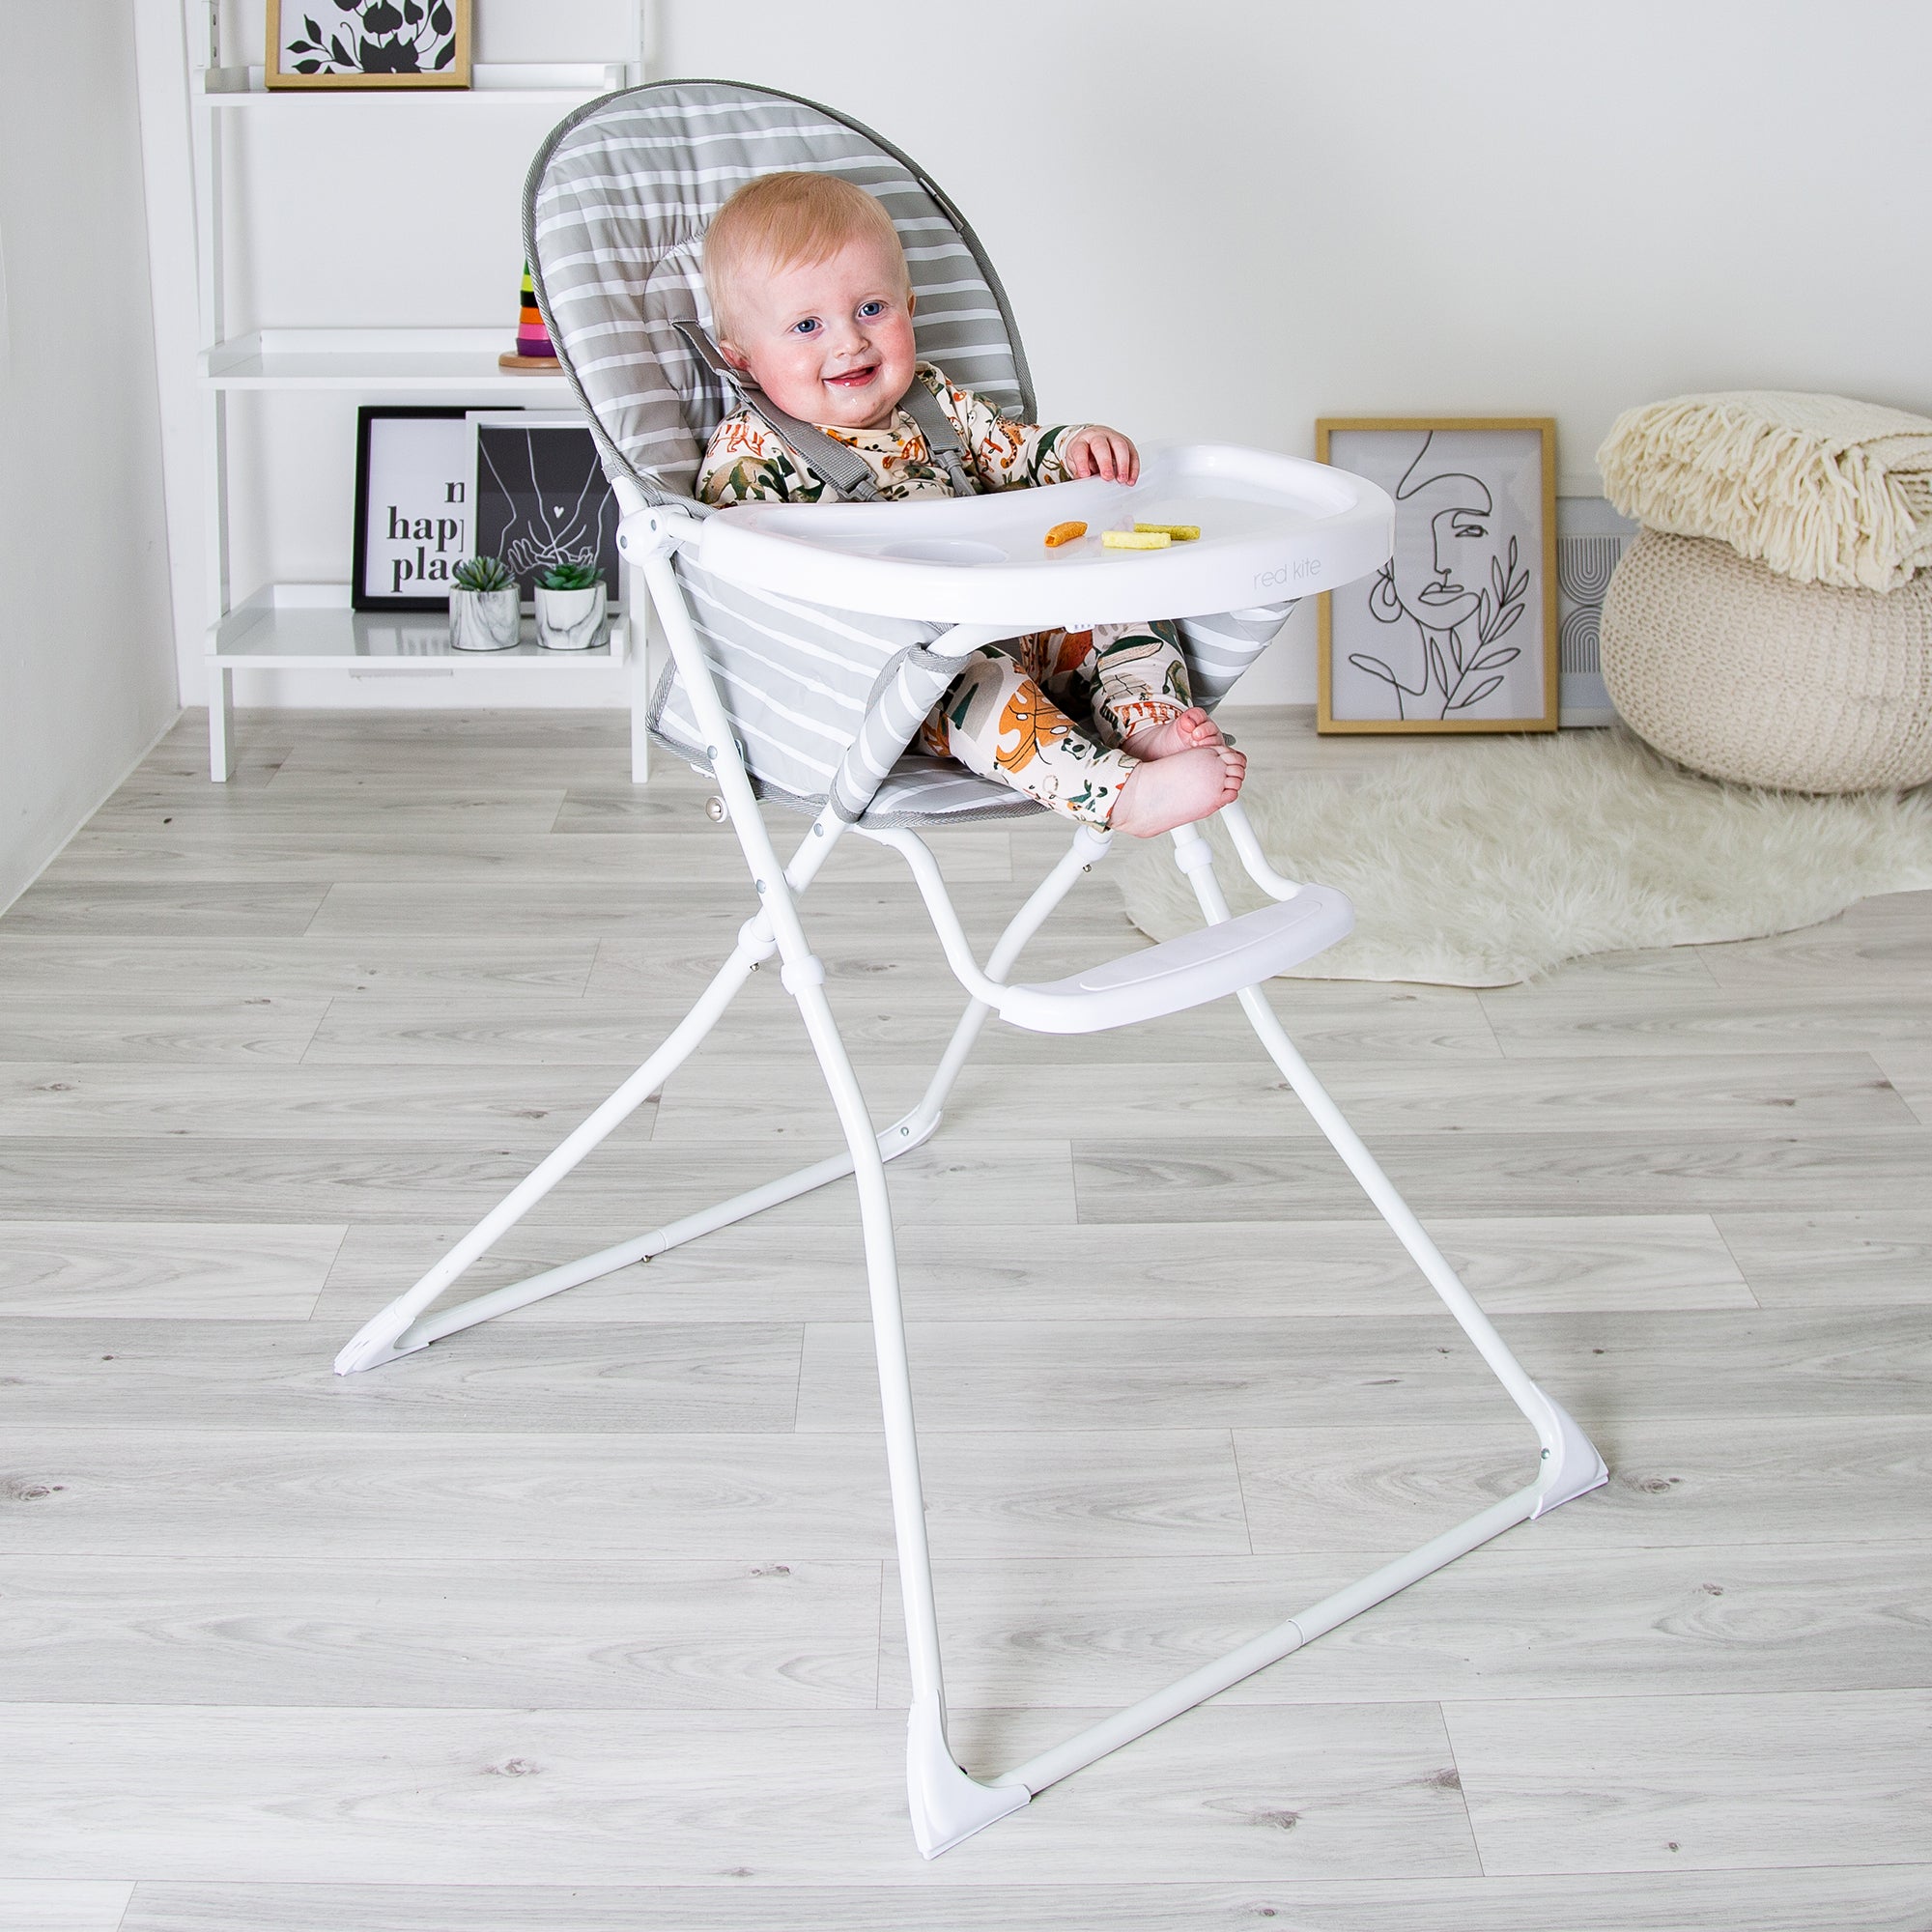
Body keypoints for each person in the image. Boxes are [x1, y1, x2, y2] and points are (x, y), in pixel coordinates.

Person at [694, 171, 1244, 837]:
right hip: (908, 675)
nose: (848, 341)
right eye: (807, 325)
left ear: (909, 305)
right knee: (980, 690)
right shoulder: (751, 456)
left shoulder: (932, 401)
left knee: (1122, 601)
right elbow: (742, 578)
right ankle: (1119, 794)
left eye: (871, 309)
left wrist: (1073, 450)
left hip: (1019, 614)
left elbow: (1011, 451)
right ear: (743, 358)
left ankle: (1148, 725)